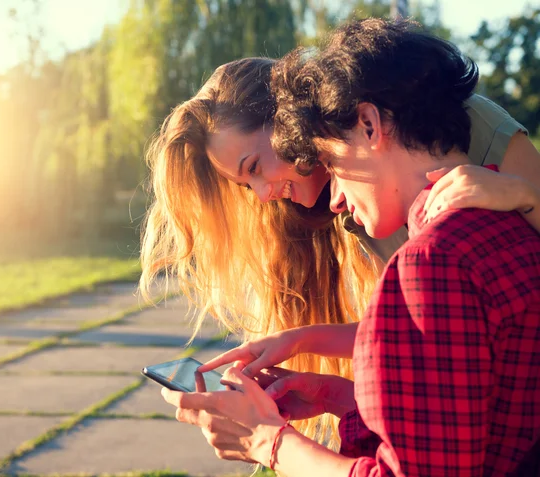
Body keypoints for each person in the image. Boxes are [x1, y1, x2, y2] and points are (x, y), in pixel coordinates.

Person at [162, 19, 540, 476]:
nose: (262, 195)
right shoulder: (381, 213)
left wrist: (266, 442)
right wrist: (335, 392)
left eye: (256, 166)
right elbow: (450, 357)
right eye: (246, 185)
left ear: (366, 124)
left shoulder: (437, 236)